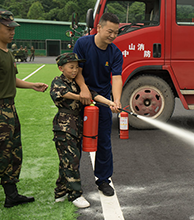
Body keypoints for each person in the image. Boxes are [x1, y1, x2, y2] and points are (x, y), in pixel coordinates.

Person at [50, 52, 117, 208]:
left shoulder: (77, 84)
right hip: (64, 126)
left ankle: (60, 191)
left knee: (67, 160)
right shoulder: (58, 82)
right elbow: (61, 94)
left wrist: (110, 103)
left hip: (77, 126)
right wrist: (80, 96)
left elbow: (94, 95)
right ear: (61, 68)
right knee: (71, 160)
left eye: (77, 67)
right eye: (71, 67)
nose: (75, 70)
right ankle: (75, 195)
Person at [0, 9, 48, 208]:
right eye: (8, 28)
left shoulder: (8, 53)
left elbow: (12, 80)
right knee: (2, 153)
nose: (12, 32)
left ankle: (11, 195)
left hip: (10, 108)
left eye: (13, 28)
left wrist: (32, 85)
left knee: (12, 152)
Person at [73, 12, 123, 196]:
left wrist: (116, 100)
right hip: (80, 97)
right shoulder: (82, 43)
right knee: (75, 140)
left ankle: (103, 180)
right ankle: (72, 181)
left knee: (104, 141)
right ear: (99, 28)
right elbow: (76, 69)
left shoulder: (115, 53)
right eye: (109, 31)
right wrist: (83, 88)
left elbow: (116, 78)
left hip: (102, 101)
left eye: (116, 33)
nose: (112, 36)